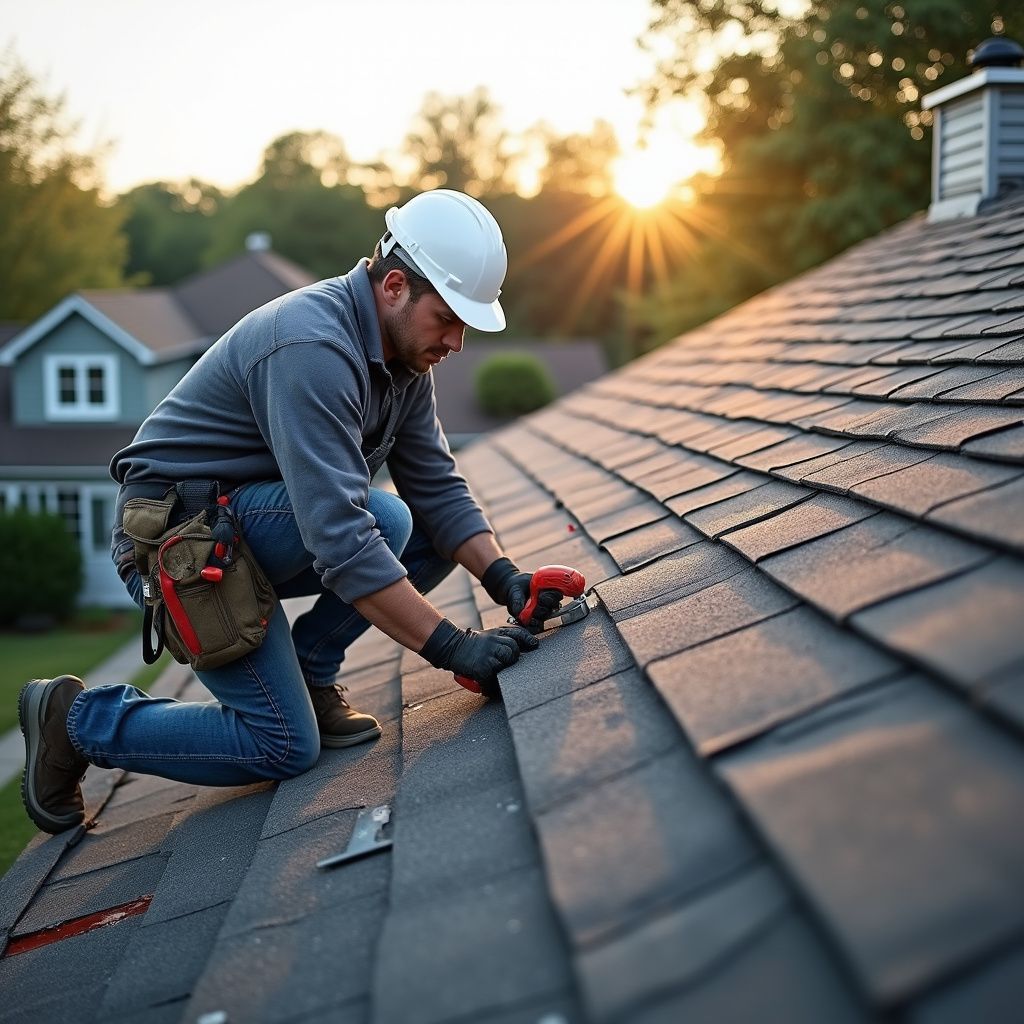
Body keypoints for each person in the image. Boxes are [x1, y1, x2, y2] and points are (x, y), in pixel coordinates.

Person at [18, 188, 561, 835]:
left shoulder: (404, 358)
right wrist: (452, 648)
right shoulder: (311, 347)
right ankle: (76, 721)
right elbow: (338, 539)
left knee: (403, 522)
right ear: (393, 286)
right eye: (448, 317)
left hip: (243, 520)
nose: (457, 341)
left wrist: (505, 579)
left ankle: (307, 675)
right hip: (179, 537)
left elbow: (437, 486)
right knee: (280, 744)